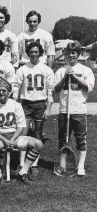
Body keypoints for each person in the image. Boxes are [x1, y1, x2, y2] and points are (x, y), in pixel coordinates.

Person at [0, 78, 43, 183]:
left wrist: (12, 139)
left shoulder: (16, 105)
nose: (1, 92)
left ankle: (23, 171)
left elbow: (21, 126)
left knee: (38, 144)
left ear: (9, 91)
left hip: (14, 135)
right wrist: (4, 140)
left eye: (4, 90)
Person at [53, 41, 95, 177]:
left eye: (74, 53)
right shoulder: (60, 71)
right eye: (69, 53)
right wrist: (66, 76)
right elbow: (56, 89)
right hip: (64, 110)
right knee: (63, 139)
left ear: (78, 54)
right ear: (66, 54)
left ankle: (80, 166)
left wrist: (75, 77)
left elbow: (88, 87)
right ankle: (62, 166)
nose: (71, 55)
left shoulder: (86, 70)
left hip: (79, 110)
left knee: (81, 139)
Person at [13, 42, 54, 176]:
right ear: (28, 53)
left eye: (36, 52)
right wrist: (15, 102)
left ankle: (34, 164)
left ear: (40, 53)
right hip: (26, 104)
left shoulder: (46, 70)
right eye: (31, 52)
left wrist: (48, 108)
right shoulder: (22, 69)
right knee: (23, 134)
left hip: (40, 104)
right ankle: (21, 163)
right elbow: (16, 86)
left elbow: (50, 91)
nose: (34, 54)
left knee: (37, 134)